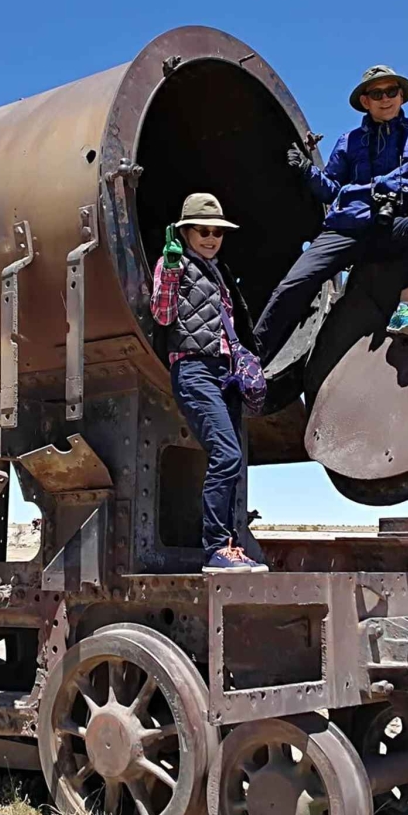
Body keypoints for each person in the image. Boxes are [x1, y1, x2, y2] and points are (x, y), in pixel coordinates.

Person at [252, 65, 408, 364]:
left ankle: (404, 309)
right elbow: (329, 188)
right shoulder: (349, 141)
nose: (385, 99)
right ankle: (253, 358)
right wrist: (305, 170)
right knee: (294, 284)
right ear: (365, 101)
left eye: (391, 92)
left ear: (401, 96)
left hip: (386, 227)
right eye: (376, 93)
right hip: (345, 226)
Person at [150, 193, 267, 573]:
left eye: (217, 232)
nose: (211, 237)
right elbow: (162, 316)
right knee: (227, 455)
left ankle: (230, 546)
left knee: (231, 460)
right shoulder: (175, 263)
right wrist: (169, 271)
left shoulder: (217, 271)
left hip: (223, 374)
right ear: (185, 231)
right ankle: (216, 548)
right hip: (194, 370)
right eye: (203, 230)